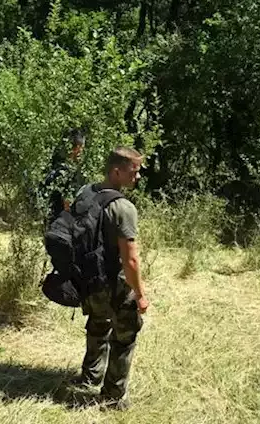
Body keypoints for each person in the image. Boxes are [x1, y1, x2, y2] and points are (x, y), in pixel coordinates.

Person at [68, 147, 150, 410]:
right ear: (117, 171)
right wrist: (140, 294)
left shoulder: (86, 192)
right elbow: (131, 260)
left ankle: (90, 376)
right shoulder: (123, 208)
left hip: (86, 281)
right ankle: (113, 397)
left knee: (98, 322)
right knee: (126, 334)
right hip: (111, 282)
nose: (137, 177)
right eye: (133, 172)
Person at [39, 127, 87, 223]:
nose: (82, 150)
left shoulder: (54, 165)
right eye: (82, 147)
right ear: (77, 147)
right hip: (61, 224)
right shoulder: (67, 171)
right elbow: (67, 203)